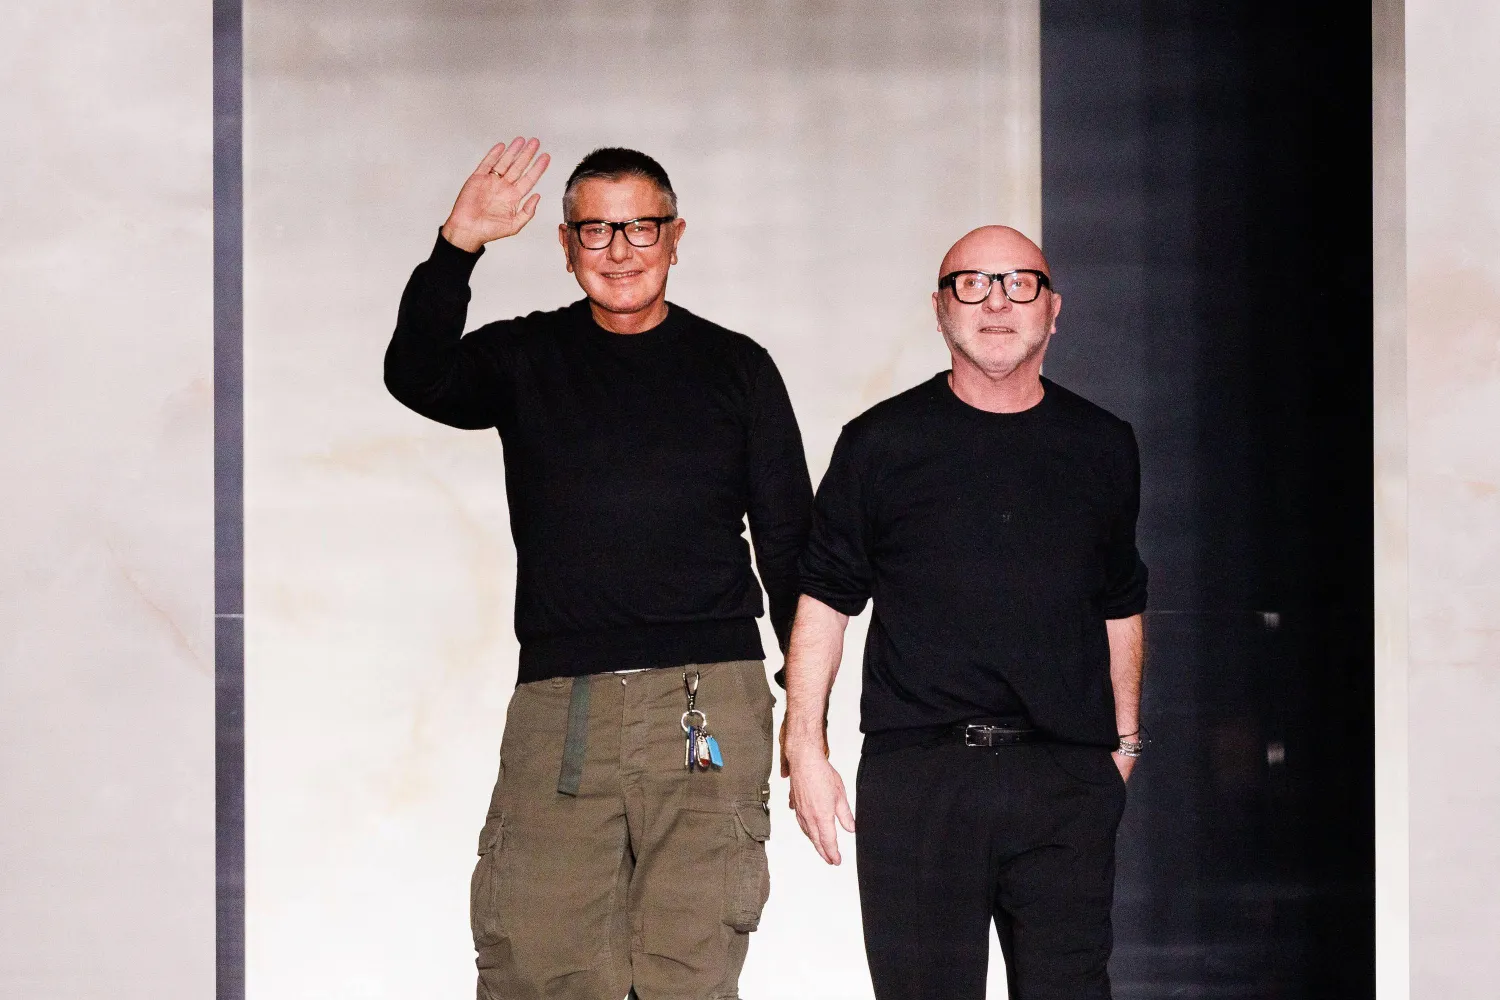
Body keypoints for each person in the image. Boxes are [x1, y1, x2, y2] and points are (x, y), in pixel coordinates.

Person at [384, 138, 811, 1000]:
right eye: (597, 231)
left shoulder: (737, 367)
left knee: (690, 972)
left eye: (641, 229)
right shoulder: (524, 357)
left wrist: (808, 716)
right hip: (561, 703)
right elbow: (415, 374)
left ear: (677, 235)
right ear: (566, 245)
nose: (620, 251)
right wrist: (457, 243)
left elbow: (792, 546)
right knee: (540, 966)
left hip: (711, 697)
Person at [781, 225, 1148, 999]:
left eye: (1020, 283)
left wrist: (1123, 747)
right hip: (921, 778)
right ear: (941, 309)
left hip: (1065, 776)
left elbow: (1121, 602)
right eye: (972, 284)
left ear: (1054, 309)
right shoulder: (880, 444)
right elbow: (827, 600)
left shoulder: (1104, 446)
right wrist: (804, 750)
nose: (996, 302)